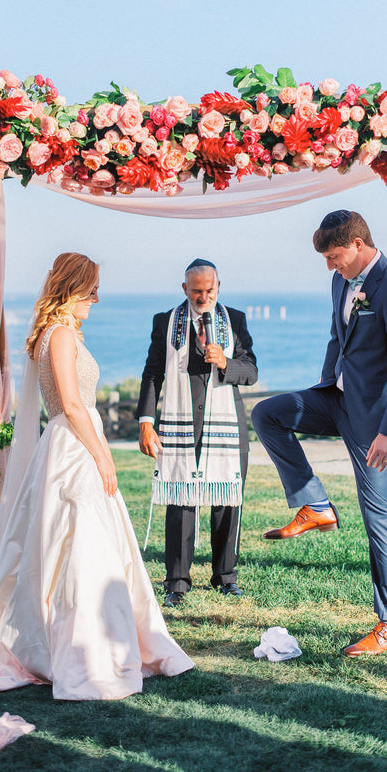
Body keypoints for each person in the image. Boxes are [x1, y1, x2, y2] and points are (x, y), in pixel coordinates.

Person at [0, 253, 194, 700]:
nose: (97, 299)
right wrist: (103, 456)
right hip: (72, 445)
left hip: (69, 442)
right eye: (91, 290)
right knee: (82, 541)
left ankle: (88, 632)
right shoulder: (61, 334)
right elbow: (70, 404)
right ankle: (84, 645)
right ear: (73, 287)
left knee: (78, 538)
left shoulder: (54, 333)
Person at [252, 211, 387, 656]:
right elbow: (339, 337)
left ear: (357, 242)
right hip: (336, 399)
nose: (331, 266)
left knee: (378, 517)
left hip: (377, 421)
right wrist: (325, 385)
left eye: (335, 256)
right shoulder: (341, 281)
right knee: (268, 413)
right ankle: (315, 504)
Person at [137, 259, 258, 607]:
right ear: (184, 289)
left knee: (227, 500)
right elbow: (151, 374)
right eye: (196, 291)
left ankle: (225, 577)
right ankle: (176, 582)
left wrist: (225, 363)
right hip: (179, 421)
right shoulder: (165, 322)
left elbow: (251, 371)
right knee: (180, 499)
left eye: (209, 290)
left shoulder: (234, 320)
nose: (203, 297)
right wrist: (147, 420)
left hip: (226, 424)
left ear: (218, 287)